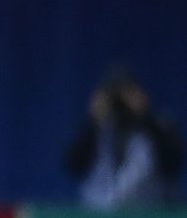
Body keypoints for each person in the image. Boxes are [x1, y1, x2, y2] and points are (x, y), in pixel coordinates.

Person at [64, 69, 183, 209]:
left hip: (148, 215)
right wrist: (93, 122)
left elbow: (173, 165)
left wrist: (145, 115)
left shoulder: (155, 126)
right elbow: (72, 165)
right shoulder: (96, 129)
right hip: (98, 214)